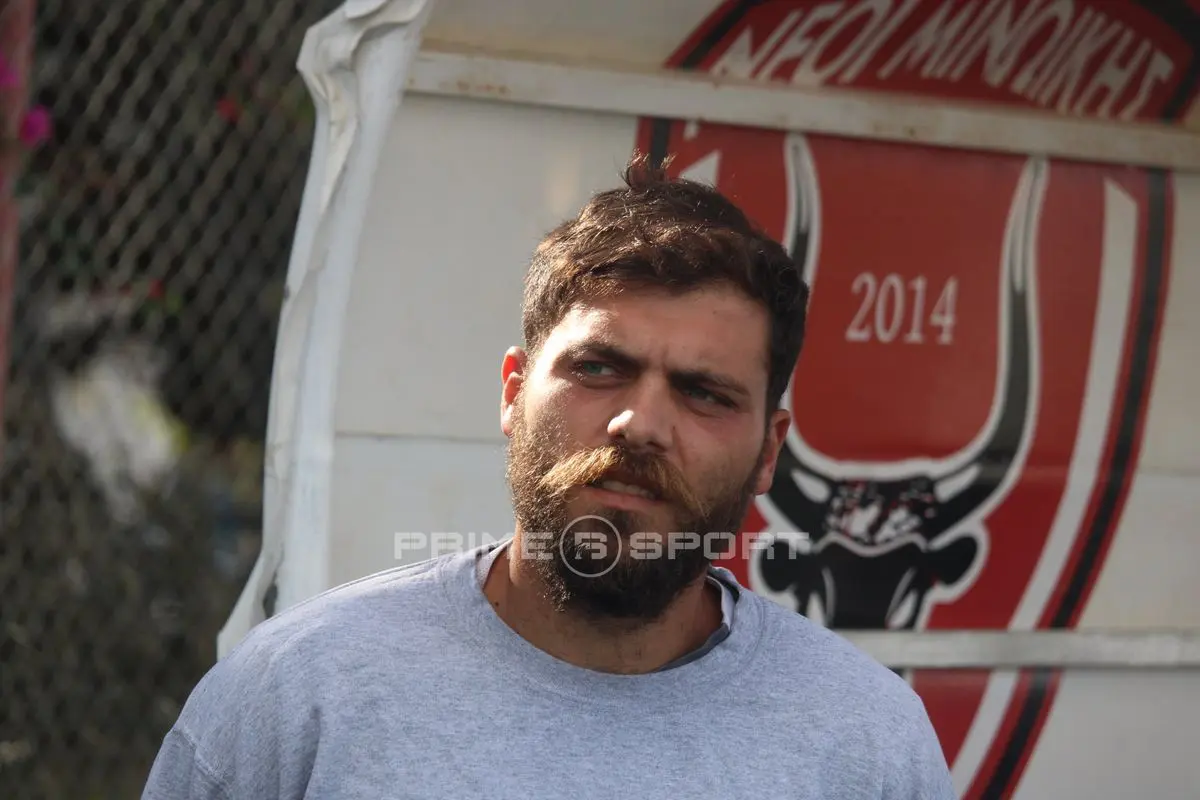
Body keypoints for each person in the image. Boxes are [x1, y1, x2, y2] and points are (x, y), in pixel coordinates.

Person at [142, 155, 957, 799]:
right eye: (599, 368)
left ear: (769, 450)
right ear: (512, 393)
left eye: (704, 393)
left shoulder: (868, 744)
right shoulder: (297, 695)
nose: (640, 423)